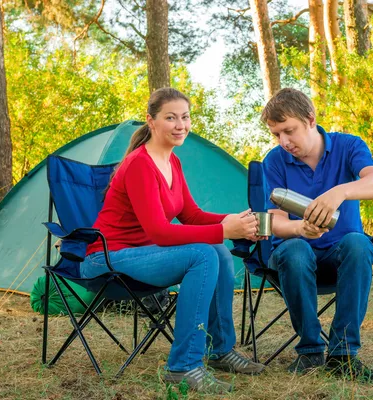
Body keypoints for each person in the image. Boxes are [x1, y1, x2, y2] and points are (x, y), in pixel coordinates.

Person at [80, 87, 264, 394]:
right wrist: (224, 230)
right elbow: (160, 232)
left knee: (216, 250)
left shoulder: (172, 162)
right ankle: (183, 367)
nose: (180, 125)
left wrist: (237, 222)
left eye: (185, 117)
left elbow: (191, 215)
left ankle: (220, 350)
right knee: (204, 254)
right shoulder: (140, 164)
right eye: (170, 118)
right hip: (107, 258)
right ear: (151, 122)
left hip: (142, 254)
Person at [262, 88, 373, 382]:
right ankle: (309, 351)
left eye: (289, 131)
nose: (284, 141)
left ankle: (343, 355)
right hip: (294, 256)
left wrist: (340, 192)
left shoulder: (348, 146)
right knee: (295, 250)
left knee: (359, 243)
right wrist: (300, 228)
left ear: (310, 119)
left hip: (340, 255)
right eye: (276, 134)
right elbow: (274, 222)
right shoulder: (275, 161)